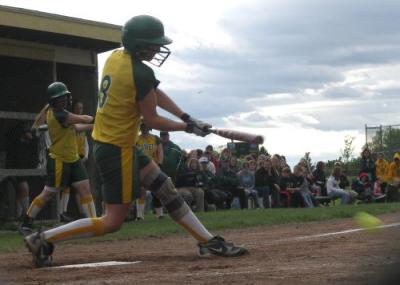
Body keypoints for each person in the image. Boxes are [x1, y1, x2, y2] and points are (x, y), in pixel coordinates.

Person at [23, 15, 247, 267]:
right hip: (115, 151)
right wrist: (187, 127)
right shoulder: (139, 71)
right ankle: (42, 238)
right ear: (138, 43)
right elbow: (151, 120)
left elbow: (151, 91)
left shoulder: (117, 57)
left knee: (165, 188)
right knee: (112, 221)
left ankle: (207, 241)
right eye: (152, 44)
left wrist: (186, 116)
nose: (157, 48)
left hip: (118, 145)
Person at [20, 82, 96, 237]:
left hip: (73, 159)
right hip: (59, 161)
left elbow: (76, 128)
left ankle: (94, 224)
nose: (63, 100)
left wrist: (93, 126)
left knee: (85, 190)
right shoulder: (59, 114)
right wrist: (96, 118)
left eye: (64, 97)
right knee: (48, 194)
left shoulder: (61, 113)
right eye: (59, 98)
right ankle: (26, 222)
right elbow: (83, 118)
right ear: (52, 101)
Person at [5, 123, 38, 219]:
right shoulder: (14, 144)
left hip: (25, 172)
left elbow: (34, 144)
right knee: (24, 189)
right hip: (15, 172)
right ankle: (28, 215)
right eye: (26, 132)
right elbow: (12, 162)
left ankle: (19, 216)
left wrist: (32, 139)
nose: (29, 134)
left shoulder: (28, 144)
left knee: (21, 193)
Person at [135, 121, 164, 220]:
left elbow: (160, 152)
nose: (144, 128)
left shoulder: (155, 138)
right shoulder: (136, 139)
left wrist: (159, 164)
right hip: (140, 168)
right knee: (141, 190)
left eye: (145, 126)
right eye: (142, 126)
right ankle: (140, 215)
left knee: (156, 190)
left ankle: (160, 214)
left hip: (154, 166)